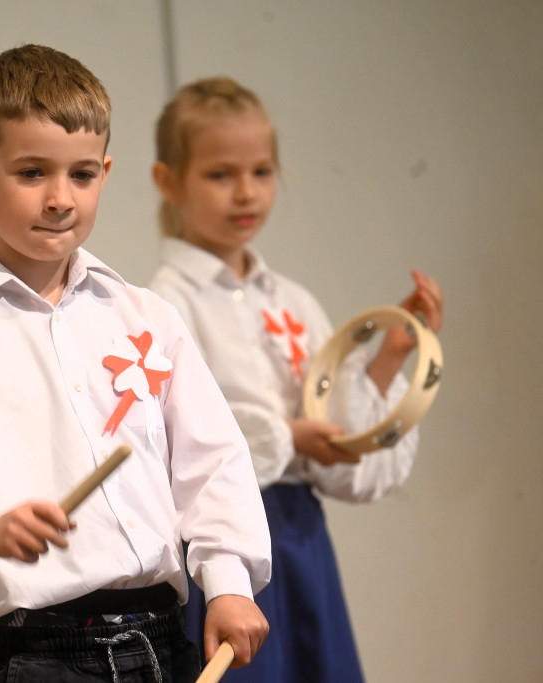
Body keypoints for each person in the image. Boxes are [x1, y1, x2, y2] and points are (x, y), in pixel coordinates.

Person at [0, 45, 271, 682]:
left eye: (81, 174)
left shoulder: (148, 318)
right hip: (36, 656)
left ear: (105, 172)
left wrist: (228, 580)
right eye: (31, 173)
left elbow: (212, 460)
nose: (60, 198)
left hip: (163, 643)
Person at [147, 77, 444, 682]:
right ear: (168, 180)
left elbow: (335, 437)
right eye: (220, 174)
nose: (245, 191)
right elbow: (170, 448)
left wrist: (387, 359)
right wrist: (286, 437)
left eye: (261, 171)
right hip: (222, 549)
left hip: (299, 540)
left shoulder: (292, 300)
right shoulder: (164, 305)